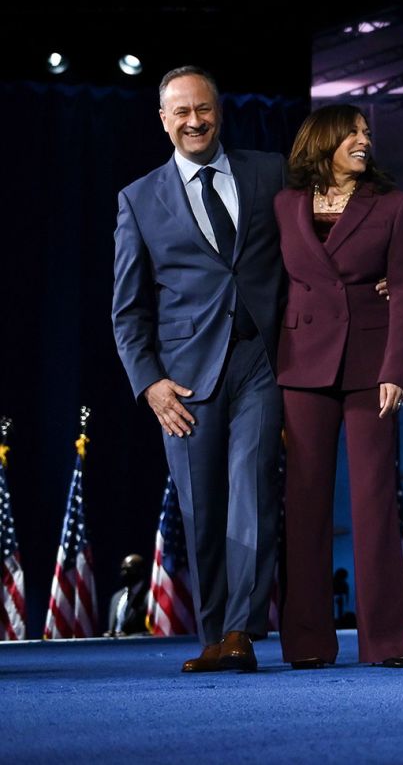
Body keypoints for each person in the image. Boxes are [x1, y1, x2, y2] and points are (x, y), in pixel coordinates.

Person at [112, 66, 285, 672]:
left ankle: (240, 630)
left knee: (253, 489)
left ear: (219, 111)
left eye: (203, 109)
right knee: (203, 509)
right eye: (181, 112)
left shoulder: (269, 172)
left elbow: (313, 251)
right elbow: (127, 311)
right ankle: (215, 635)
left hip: (260, 360)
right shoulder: (137, 199)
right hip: (184, 381)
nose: (194, 121)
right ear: (163, 120)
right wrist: (151, 383)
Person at [275, 104, 403, 669]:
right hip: (301, 367)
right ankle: (308, 643)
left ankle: (384, 643)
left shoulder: (394, 205)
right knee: (304, 506)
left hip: (369, 368)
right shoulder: (286, 206)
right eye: (352, 133)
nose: (364, 140)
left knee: (373, 504)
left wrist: (395, 370)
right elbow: (272, 279)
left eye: (366, 132)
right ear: (324, 141)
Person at [105, 554, 150, 637]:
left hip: (138, 648)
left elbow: (155, 631)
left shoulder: (150, 597)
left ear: (141, 571)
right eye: (123, 569)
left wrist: (128, 638)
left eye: (129, 569)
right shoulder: (116, 597)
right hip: (113, 649)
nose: (124, 573)